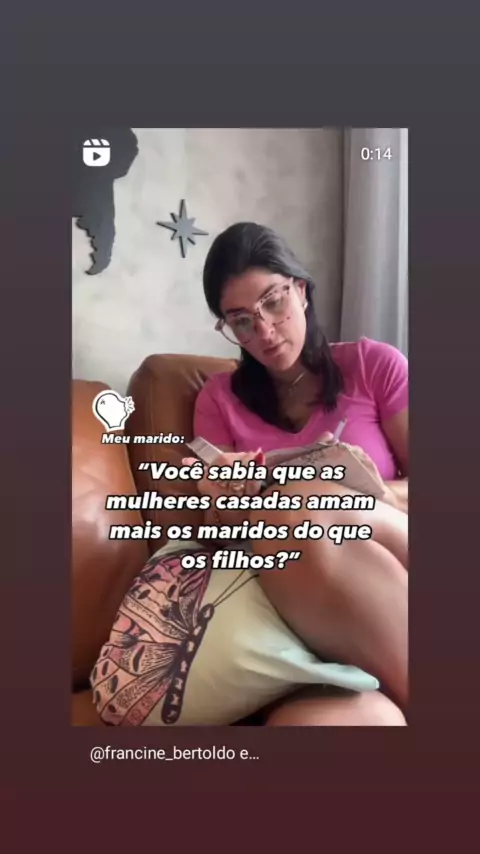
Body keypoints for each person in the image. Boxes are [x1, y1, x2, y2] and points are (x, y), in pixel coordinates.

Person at [185, 222, 408, 726]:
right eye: (241, 321)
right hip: (294, 609)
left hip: (389, 559)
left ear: (301, 291)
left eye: (273, 302)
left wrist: (369, 495)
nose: (263, 331)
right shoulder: (218, 399)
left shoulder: (375, 366)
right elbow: (221, 533)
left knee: (302, 504)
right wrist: (222, 495)